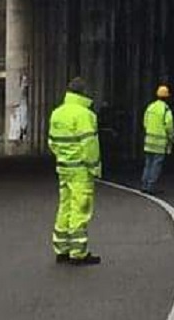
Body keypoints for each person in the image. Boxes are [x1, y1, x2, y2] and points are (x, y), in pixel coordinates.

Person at [48, 77, 102, 266]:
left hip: (63, 168)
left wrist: (63, 157)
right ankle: (78, 253)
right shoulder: (85, 115)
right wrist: (94, 166)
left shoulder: (57, 113)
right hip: (80, 170)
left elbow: (52, 142)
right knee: (80, 209)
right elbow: (89, 145)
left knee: (65, 207)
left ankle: (61, 249)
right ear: (83, 93)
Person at [141, 85, 174, 194]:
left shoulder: (150, 107)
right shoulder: (166, 109)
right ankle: (151, 186)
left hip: (148, 141)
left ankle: (144, 185)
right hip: (160, 143)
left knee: (148, 163)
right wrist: (171, 137)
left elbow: (145, 122)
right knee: (156, 165)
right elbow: (169, 125)